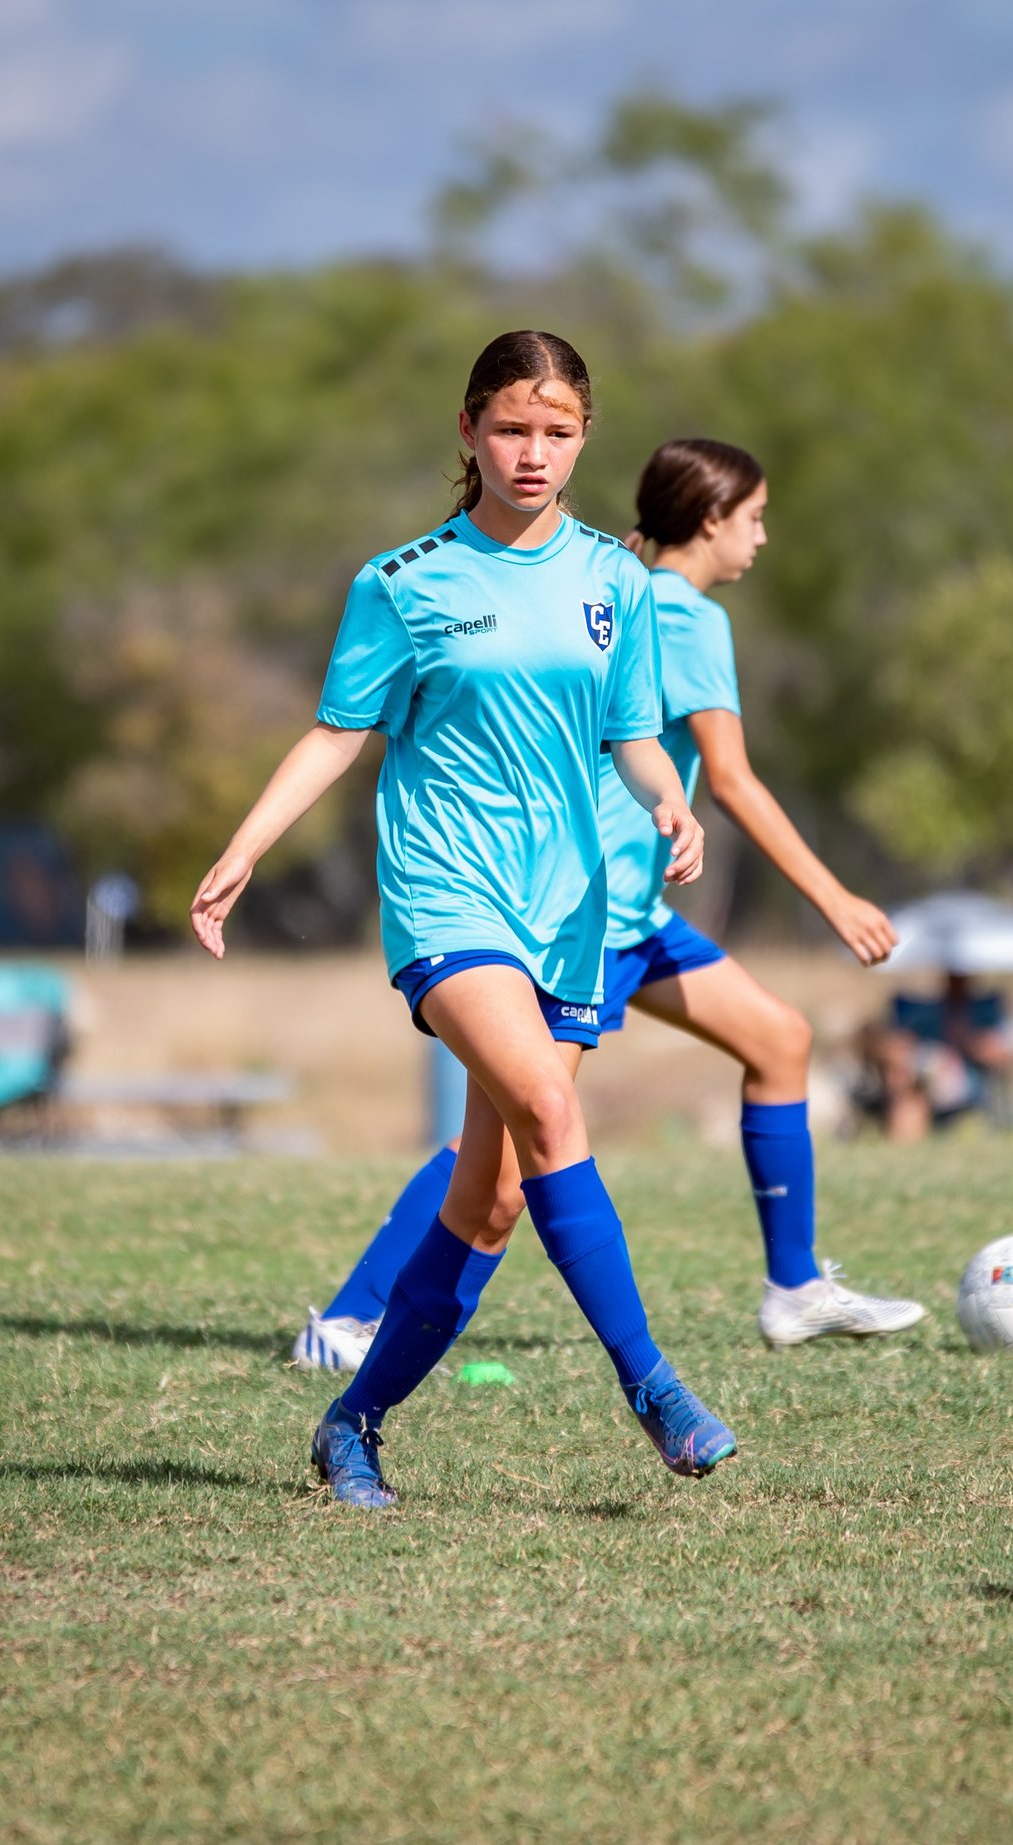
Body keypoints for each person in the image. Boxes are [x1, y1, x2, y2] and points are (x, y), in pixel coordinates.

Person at [191, 331, 736, 1507]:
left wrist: (670, 805)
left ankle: (354, 1423)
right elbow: (341, 730)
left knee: (491, 1201)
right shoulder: (403, 582)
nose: (532, 453)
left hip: (572, 909)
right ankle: (652, 1386)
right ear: (467, 431)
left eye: (556, 431)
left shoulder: (618, 583)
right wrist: (241, 849)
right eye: (509, 428)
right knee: (546, 1104)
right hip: (447, 894)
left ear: (585, 435)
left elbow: (633, 732)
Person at [293, 436, 926, 1376]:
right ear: (710, 522)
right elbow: (740, 785)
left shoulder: (615, 582)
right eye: (754, 517)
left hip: (631, 910)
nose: (762, 536)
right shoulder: (685, 617)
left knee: (779, 1040)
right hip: (592, 915)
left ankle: (794, 1287)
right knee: (505, 1147)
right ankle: (349, 1320)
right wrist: (835, 898)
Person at [854, 974, 1013, 1143]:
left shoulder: (984, 1017)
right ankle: (905, 1134)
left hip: (956, 1080)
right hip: (924, 1067)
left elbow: (1004, 1054)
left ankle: (905, 1134)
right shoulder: (923, 1020)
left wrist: (972, 1043)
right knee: (906, 1072)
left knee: (908, 1074)